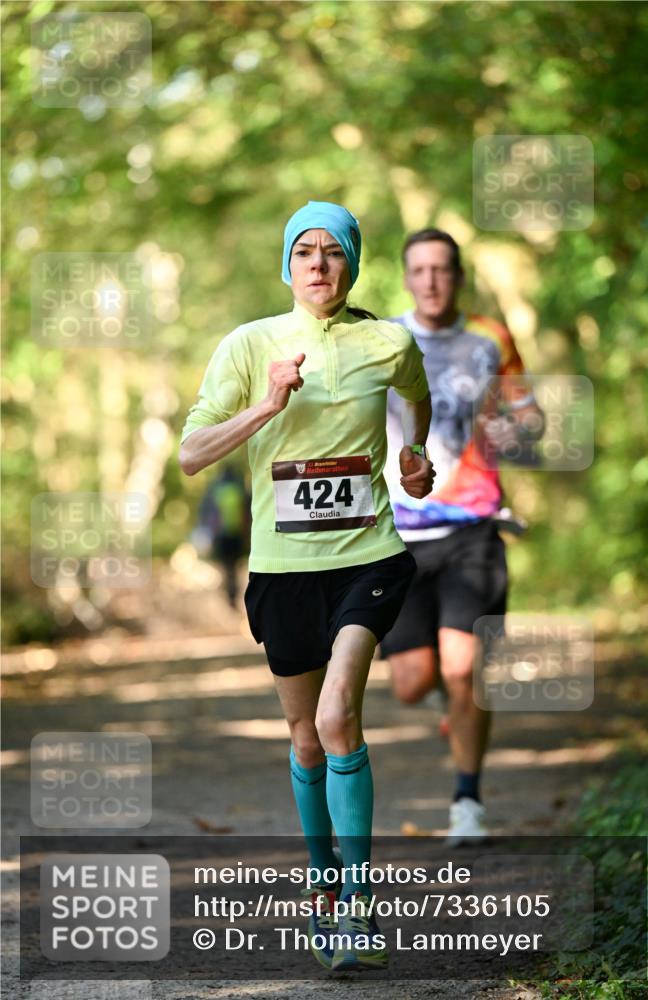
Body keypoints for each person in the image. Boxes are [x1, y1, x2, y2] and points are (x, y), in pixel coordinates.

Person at [179, 201, 434, 971]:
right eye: (303, 252)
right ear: (287, 265)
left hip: (369, 558)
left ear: (351, 262)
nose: (317, 264)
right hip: (284, 574)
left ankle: (357, 902)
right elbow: (192, 453)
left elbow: (417, 399)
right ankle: (323, 888)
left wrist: (414, 455)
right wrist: (266, 403)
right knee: (302, 737)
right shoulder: (249, 344)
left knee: (335, 716)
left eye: (331, 252)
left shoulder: (387, 340)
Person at [381, 229, 544, 846]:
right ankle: (452, 712)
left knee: (463, 669)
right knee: (412, 683)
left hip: (474, 528)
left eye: (442, 269)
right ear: (405, 277)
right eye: (419, 269)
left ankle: (467, 802)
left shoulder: (491, 338)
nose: (430, 280)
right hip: (398, 534)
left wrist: (519, 429)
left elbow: (527, 412)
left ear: (459, 277)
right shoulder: (382, 339)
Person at [196, 463, 251, 607]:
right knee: (234, 566)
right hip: (237, 535)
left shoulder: (215, 487)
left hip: (220, 536)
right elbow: (249, 510)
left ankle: (229, 592)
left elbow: (205, 512)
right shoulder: (239, 487)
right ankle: (233, 593)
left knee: (226, 566)